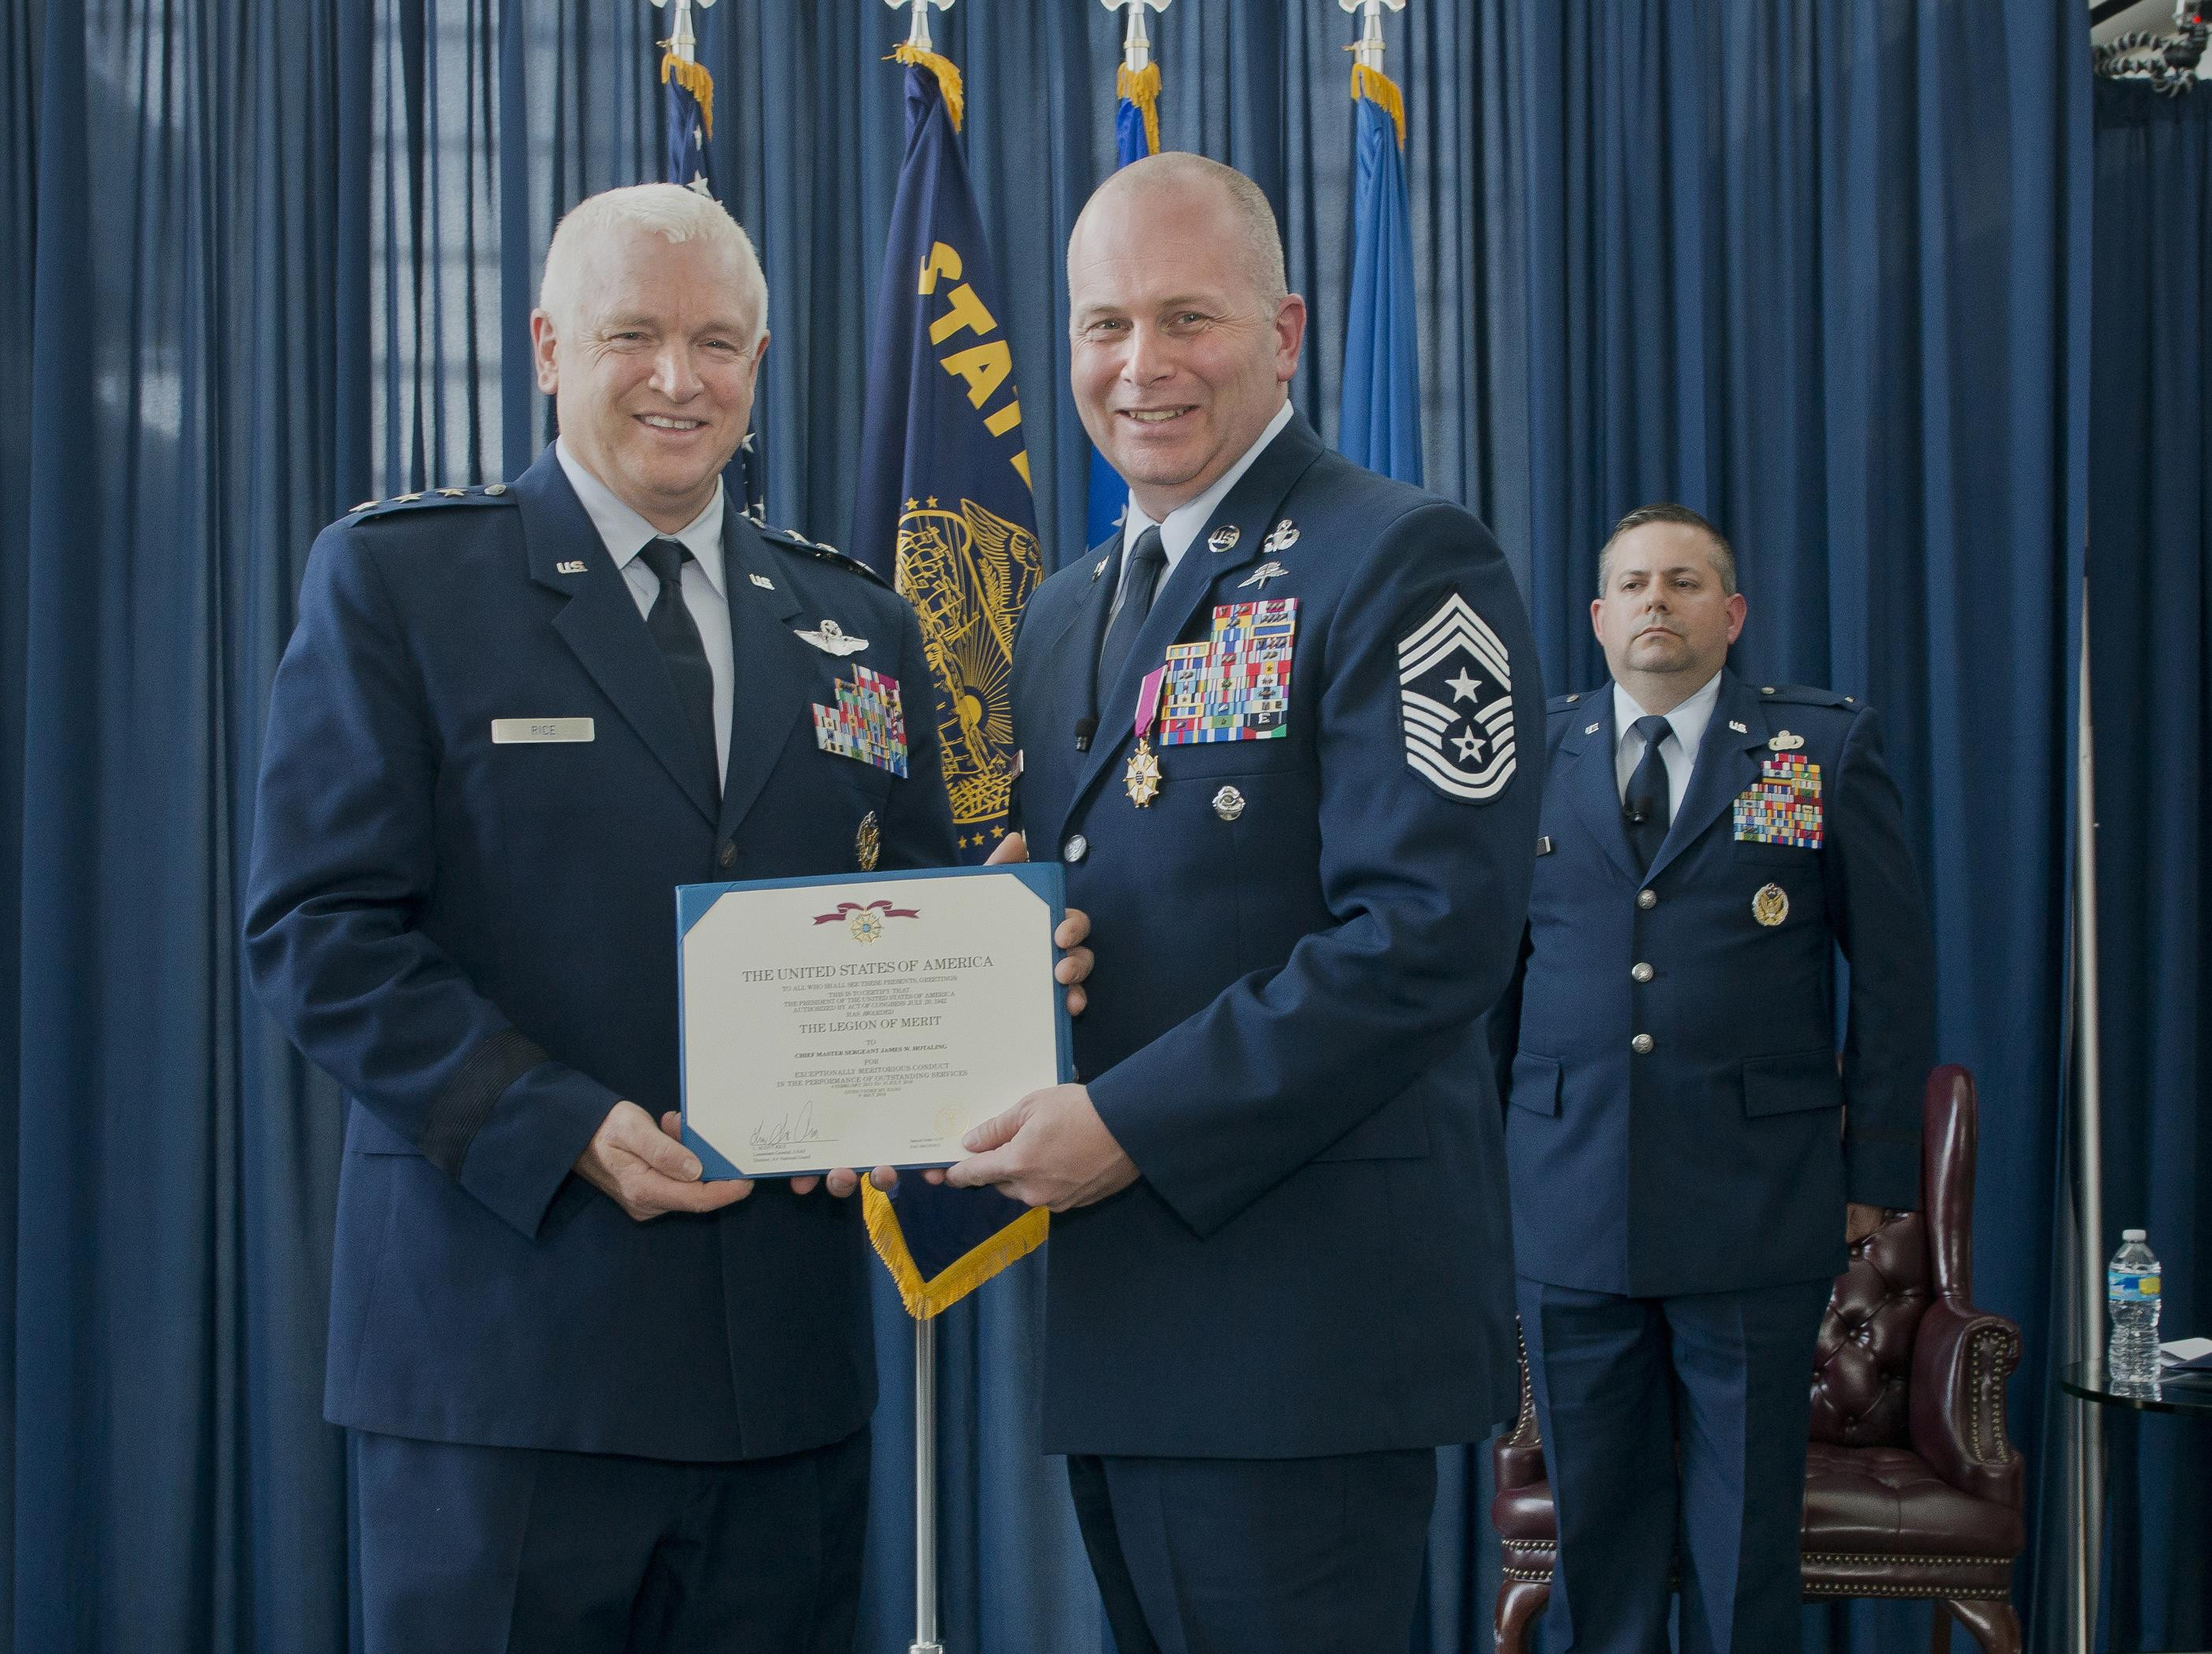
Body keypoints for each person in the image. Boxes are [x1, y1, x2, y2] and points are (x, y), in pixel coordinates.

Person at [244, 184, 1089, 1654]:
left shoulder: (858, 618)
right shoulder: (401, 584)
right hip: (508, 1367)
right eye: (635, 335)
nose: (679, 380)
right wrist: (555, 1119)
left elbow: (909, 903)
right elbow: (318, 930)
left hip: (783, 1378)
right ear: (549, 348)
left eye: (717, 343)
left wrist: (1004, 960)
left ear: (761, 367)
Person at [945, 153, 1545, 1653]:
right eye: (1101, 325)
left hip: (1304, 1338)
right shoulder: (1070, 604)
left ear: (1283, 330)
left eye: (1185, 318)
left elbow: (1429, 939)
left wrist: (1131, 1124)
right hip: (1125, 1323)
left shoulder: (1404, 561)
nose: (1138, 366)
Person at [1495, 503, 1933, 1654]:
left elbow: (1893, 972)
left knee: (1744, 1539)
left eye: (1684, 584)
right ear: (1597, 619)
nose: (1656, 603)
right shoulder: (1531, 754)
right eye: (1633, 584)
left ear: (1730, 616)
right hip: (1569, 1191)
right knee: (1599, 1528)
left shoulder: (1819, 749)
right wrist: (1484, 1157)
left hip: (1754, 1195)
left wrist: (1877, 1167)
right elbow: (1492, 980)